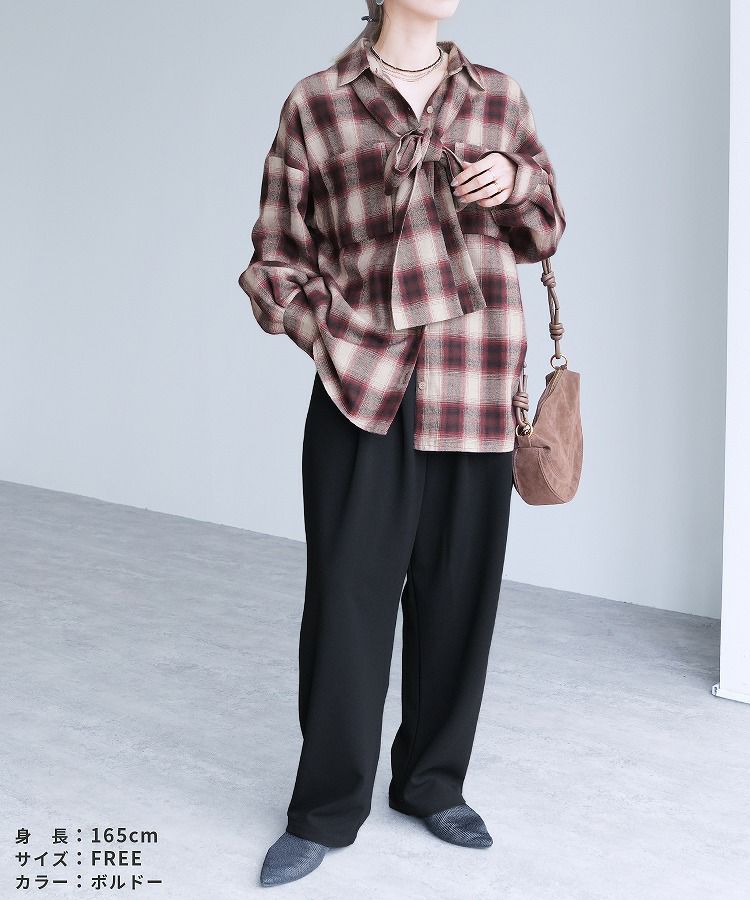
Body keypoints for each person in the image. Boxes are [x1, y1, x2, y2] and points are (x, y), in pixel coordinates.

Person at [237, 0, 566, 887]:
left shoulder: (498, 96)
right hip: (363, 394)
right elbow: (274, 261)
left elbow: (545, 232)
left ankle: (432, 784)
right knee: (347, 604)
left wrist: (517, 179)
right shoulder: (317, 101)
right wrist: (336, 339)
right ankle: (325, 808)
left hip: (476, 382)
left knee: (460, 601)